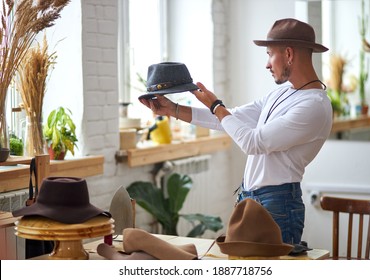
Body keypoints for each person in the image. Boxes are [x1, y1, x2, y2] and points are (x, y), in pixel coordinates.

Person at [139, 18, 333, 248]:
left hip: (278, 204)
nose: (267, 64)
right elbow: (229, 119)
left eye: (270, 54)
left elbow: (253, 142)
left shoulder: (314, 106)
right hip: (251, 199)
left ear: (289, 54)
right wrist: (173, 109)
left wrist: (216, 106)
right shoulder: (280, 94)